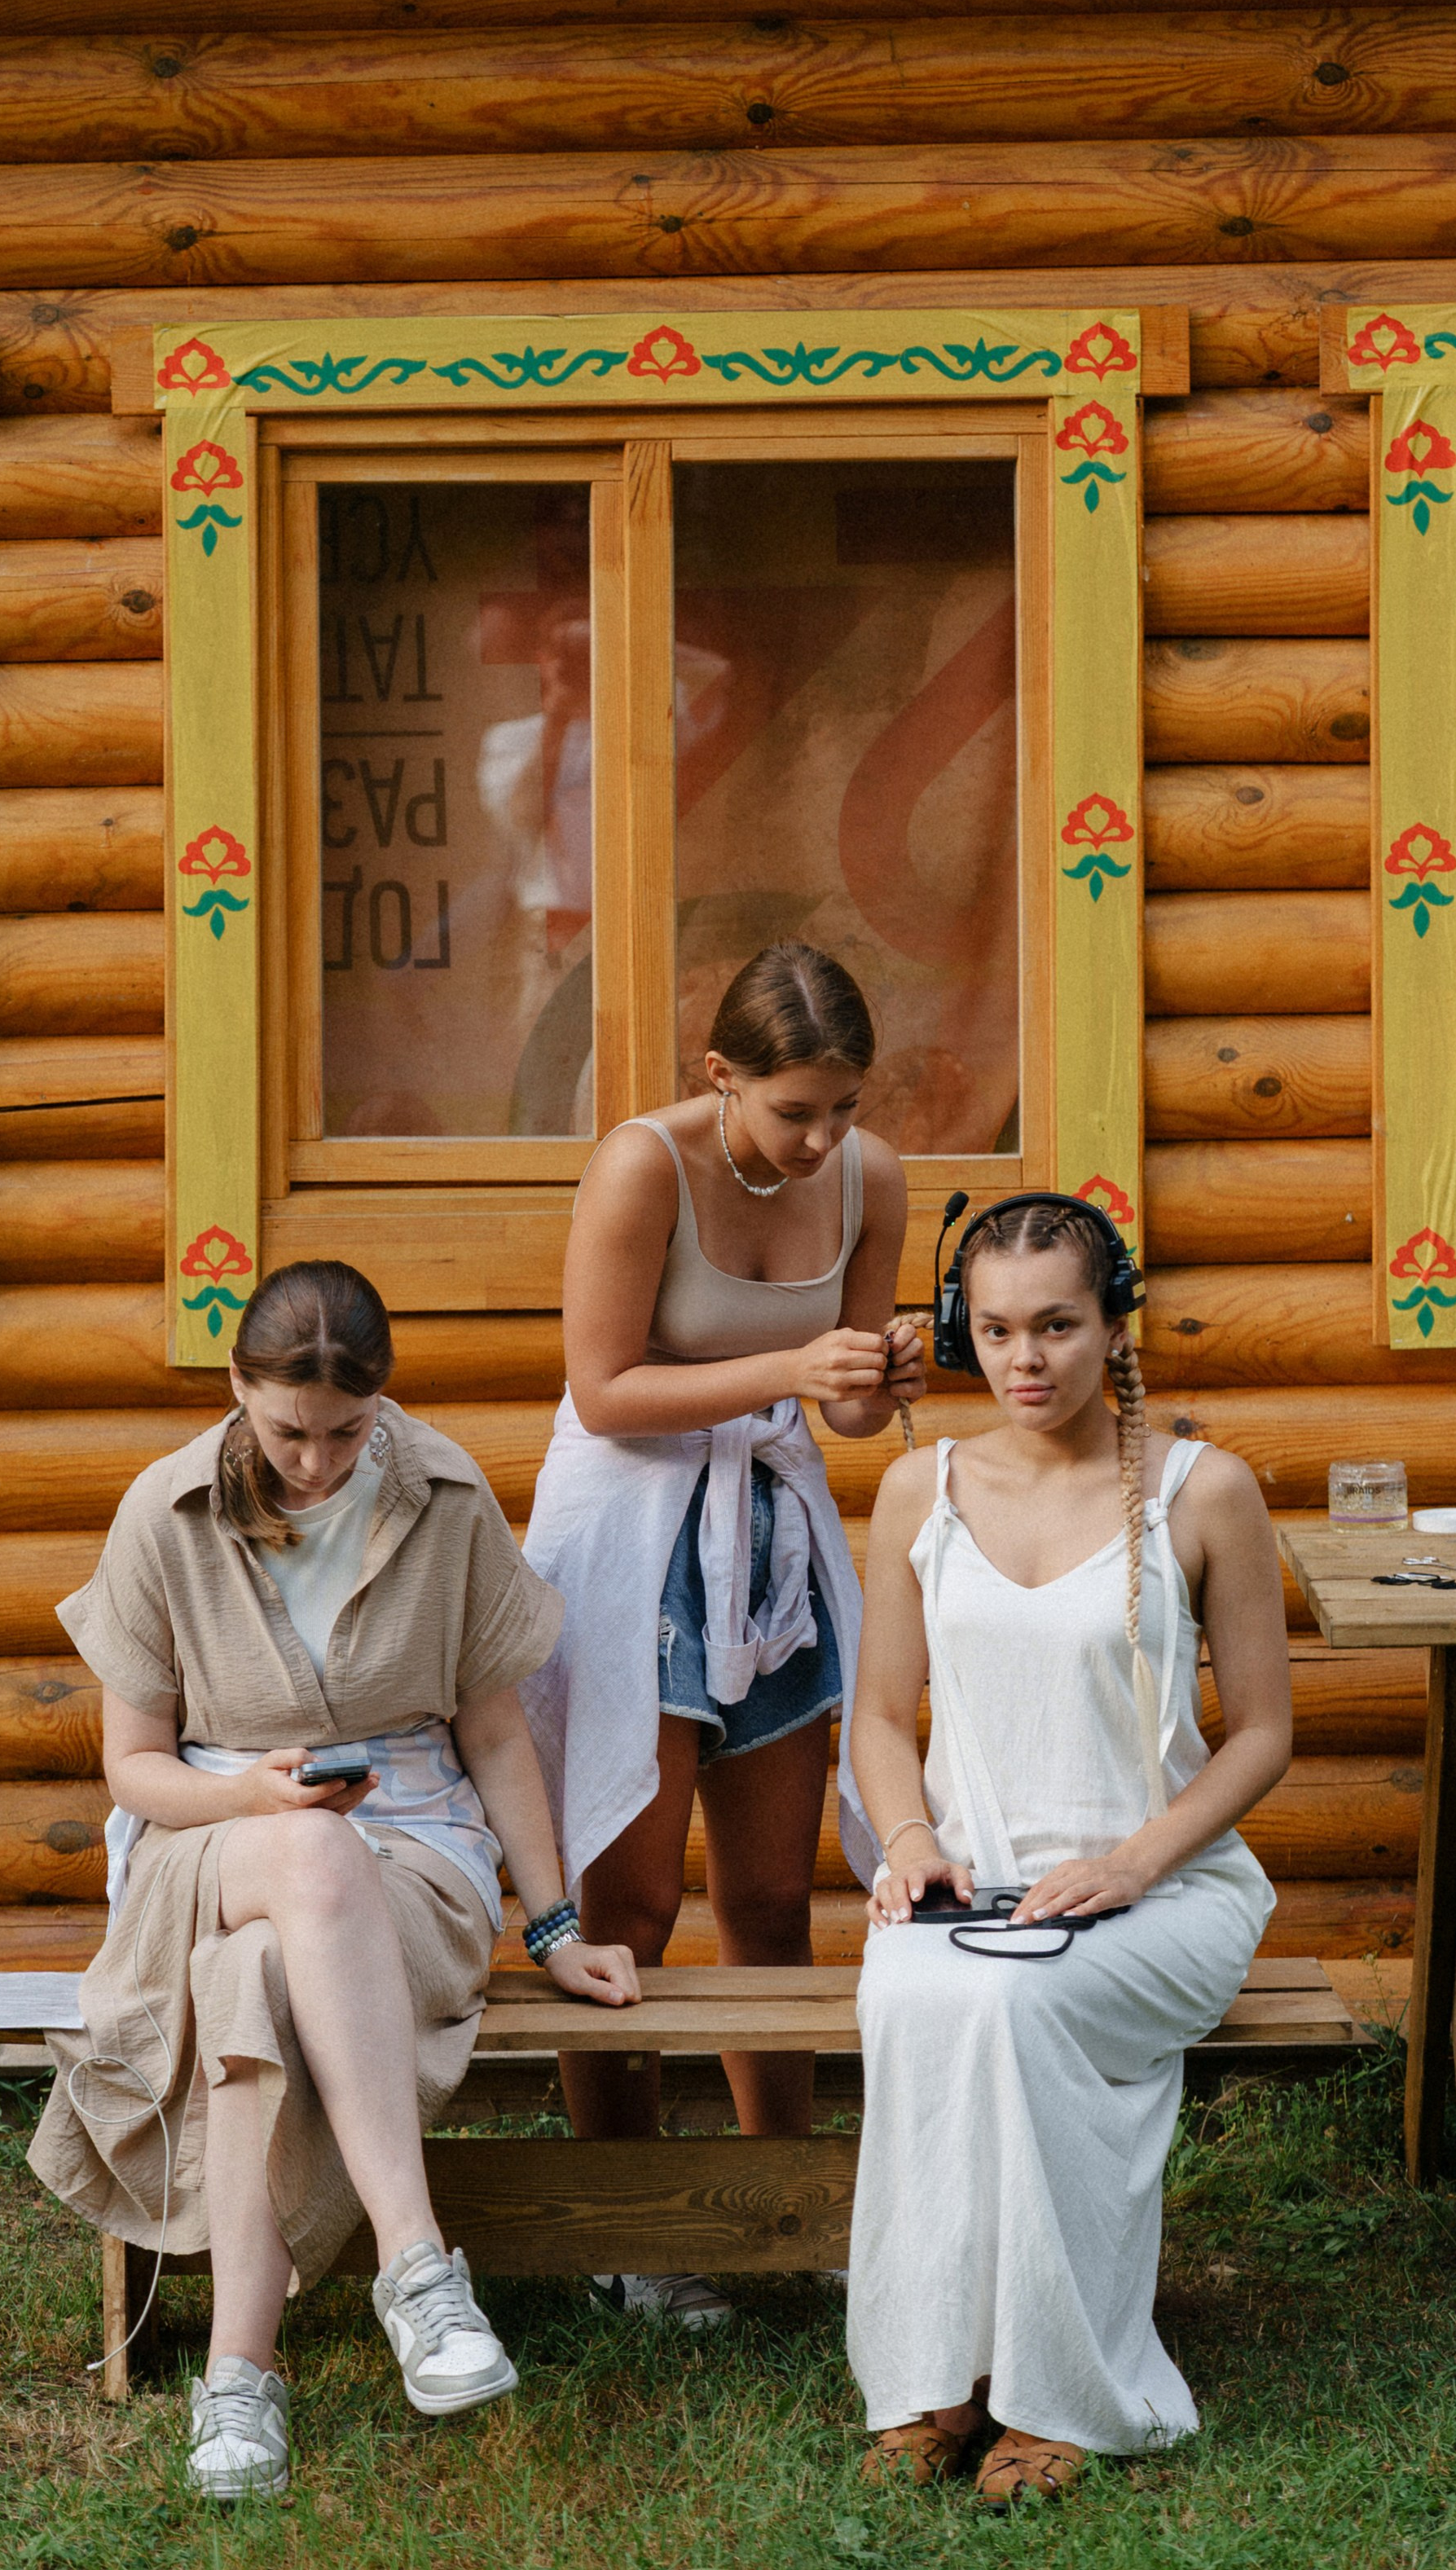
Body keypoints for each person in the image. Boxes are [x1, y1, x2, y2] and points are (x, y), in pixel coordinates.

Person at [28, 1259, 638, 2501]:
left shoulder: (447, 1497)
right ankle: (418, 2270)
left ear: (383, 1400)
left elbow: (495, 1734)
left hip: (414, 1853)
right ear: (237, 1389)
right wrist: (255, 1799)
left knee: (257, 1975)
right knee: (307, 1850)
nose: (314, 1463)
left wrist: (556, 1924)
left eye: (347, 1434)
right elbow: (135, 1768)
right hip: (211, 1842)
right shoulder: (162, 1512)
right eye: (287, 1432)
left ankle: (239, 2379)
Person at [847, 1195, 1291, 2505]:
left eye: (1056, 1325)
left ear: (1114, 1326)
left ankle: (1062, 2394)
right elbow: (878, 1717)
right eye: (994, 1331)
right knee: (915, 1998)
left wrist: (1137, 1863)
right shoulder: (919, 1490)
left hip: (1169, 1893)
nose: (1025, 1358)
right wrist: (910, 1838)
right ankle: (938, 2379)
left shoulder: (1205, 1492)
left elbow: (1266, 1735)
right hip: (971, 1886)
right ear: (960, 1334)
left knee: (1017, 2005)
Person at [522, 939, 923, 2328]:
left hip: (771, 1542)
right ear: (721, 1076)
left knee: (769, 1900)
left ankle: (781, 2212)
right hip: (631, 1543)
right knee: (629, 1906)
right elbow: (601, 1389)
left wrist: (877, 1375)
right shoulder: (641, 1166)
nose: (822, 1140)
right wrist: (788, 1367)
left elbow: (846, 1415)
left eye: (845, 1108)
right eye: (795, 1111)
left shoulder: (874, 1181)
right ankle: (627, 2225)